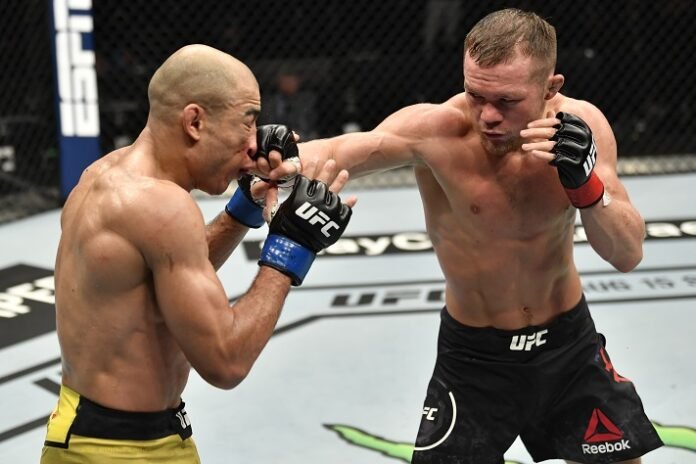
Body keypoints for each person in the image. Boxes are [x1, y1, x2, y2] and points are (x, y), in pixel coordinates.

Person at [284, 8, 663, 464]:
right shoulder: (437, 130)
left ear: (550, 88)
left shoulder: (582, 127)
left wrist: (586, 185)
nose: (487, 116)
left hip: (567, 346)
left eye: (506, 101)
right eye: (475, 94)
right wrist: (276, 156)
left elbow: (627, 253)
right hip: (474, 358)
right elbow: (336, 150)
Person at [41, 44, 354, 463]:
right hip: (122, 450)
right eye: (247, 123)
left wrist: (244, 208)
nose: (254, 144)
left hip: (94, 433)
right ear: (194, 122)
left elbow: (161, 274)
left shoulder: (105, 173)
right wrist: (292, 247)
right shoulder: (162, 205)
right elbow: (226, 361)